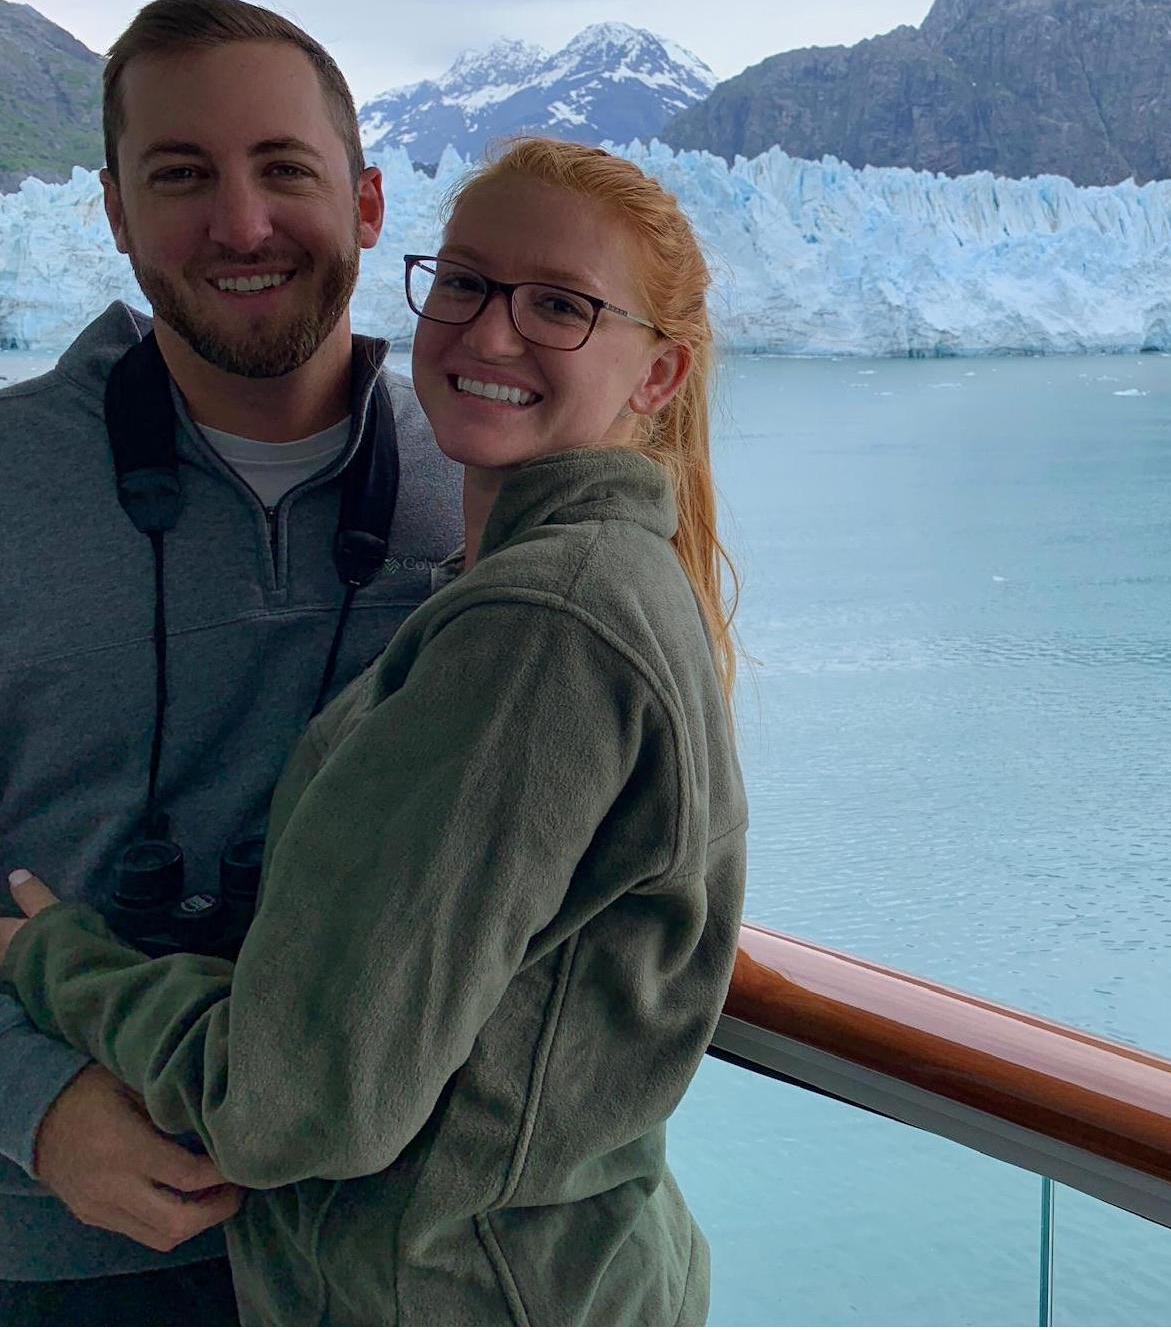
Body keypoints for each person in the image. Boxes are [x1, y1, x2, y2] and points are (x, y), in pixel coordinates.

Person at [1, 136, 749, 1326]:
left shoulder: (539, 623)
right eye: (464, 283)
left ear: (657, 376)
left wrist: (51, 961)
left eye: (560, 306)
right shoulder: (571, 576)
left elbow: (298, 1105)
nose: (490, 333)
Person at [0, 0, 461, 1325]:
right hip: (66, 1256)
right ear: (114, 211)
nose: (243, 224)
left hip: (387, 1239)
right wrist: (38, 1109)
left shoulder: (472, 483)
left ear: (367, 200)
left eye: (284, 169)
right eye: (182, 175)